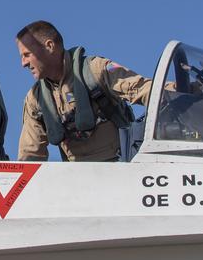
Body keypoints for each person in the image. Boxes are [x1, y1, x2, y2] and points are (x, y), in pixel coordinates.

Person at [15, 20, 153, 162]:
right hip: (78, 178)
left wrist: (175, 95)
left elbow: (146, 90)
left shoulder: (95, 69)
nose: (23, 63)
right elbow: (30, 155)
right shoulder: (35, 98)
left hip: (121, 169)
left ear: (49, 46)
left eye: (27, 54)